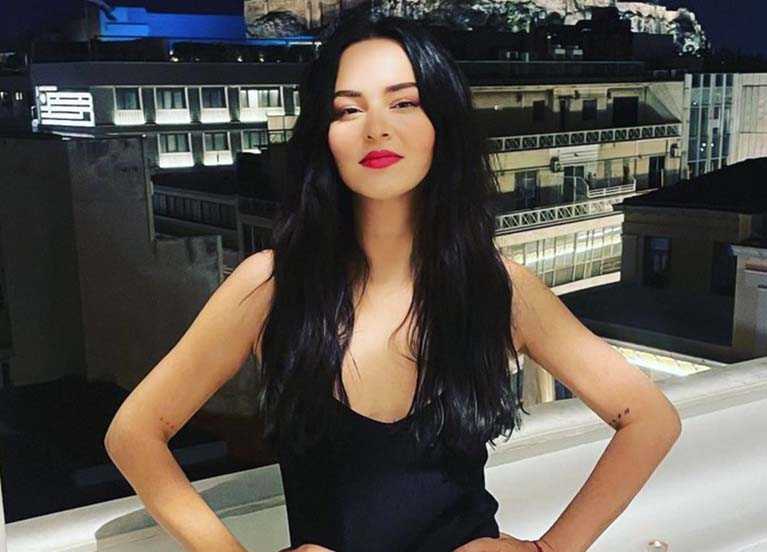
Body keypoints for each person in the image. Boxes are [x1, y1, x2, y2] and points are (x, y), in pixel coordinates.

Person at [104, 10, 682, 552]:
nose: (376, 129)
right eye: (347, 110)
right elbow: (135, 433)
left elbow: (649, 419)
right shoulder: (272, 287)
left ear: (441, 124)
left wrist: (550, 548)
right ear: (323, 135)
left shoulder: (498, 289)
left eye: (404, 103)